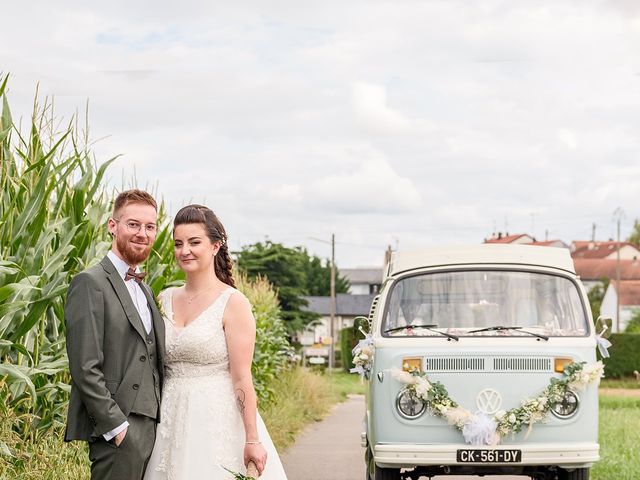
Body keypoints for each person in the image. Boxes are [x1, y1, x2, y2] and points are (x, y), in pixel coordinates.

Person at [144, 204, 287, 480]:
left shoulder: (233, 303)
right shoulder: (163, 298)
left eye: (194, 242)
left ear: (215, 246)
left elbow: (242, 377)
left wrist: (252, 439)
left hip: (214, 420)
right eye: (178, 243)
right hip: (169, 419)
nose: (184, 250)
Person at [65, 189, 165, 480]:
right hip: (119, 431)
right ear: (113, 225)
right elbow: (84, 366)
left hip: (153, 426)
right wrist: (117, 428)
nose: (142, 233)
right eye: (133, 224)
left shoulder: (145, 288)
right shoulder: (90, 282)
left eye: (150, 226)